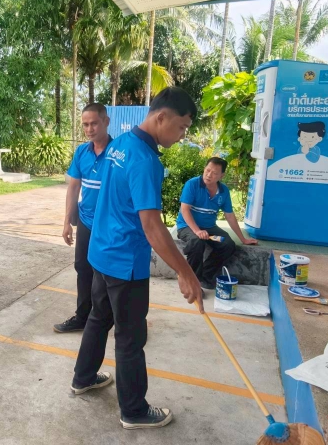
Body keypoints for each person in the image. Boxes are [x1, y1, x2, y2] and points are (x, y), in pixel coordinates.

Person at [71, 87, 205, 430]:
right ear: (161, 117)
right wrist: (186, 272)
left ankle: (83, 377)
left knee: (99, 317)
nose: (182, 134)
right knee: (130, 338)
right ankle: (133, 410)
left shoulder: (119, 145)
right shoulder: (145, 160)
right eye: (181, 127)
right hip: (125, 261)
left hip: (101, 252)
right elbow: (152, 226)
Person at [54, 104, 112, 333]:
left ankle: (112, 319)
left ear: (106, 122)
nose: (89, 129)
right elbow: (73, 188)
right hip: (86, 222)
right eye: (85, 125)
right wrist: (67, 222)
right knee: (83, 268)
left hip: (109, 225)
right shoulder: (81, 152)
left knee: (106, 274)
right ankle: (82, 317)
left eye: (94, 123)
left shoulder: (118, 153)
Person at [176, 157, 258, 292]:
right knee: (197, 241)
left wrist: (243, 239)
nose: (209, 175)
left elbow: (229, 216)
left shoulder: (223, 191)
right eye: (207, 170)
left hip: (209, 228)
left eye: (214, 173)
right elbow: (185, 210)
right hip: (187, 226)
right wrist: (197, 231)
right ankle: (191, 283)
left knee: (227, 244)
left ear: (222, 176)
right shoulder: (192, 184)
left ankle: (205, 277)